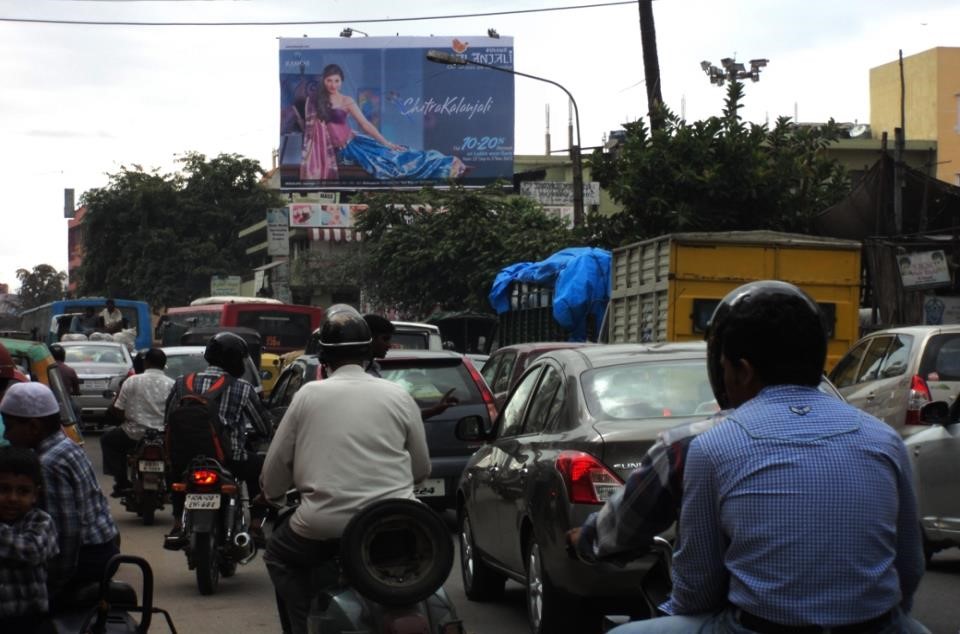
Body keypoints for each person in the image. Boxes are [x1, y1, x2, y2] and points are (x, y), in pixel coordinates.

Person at [575, 281, 929, 634]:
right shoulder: (885, 440)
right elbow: (909, 567)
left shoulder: (711, 446)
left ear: (742, 370)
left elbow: (697, 591)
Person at [261, 304, 430, 634]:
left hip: (322, 525)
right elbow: (421, 467)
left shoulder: (308, 395)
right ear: (368, 353)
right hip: (398, 521)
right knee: (422, 572)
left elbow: (274, 475)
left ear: (323, 357)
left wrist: (272, 494)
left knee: (277, 556)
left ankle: (302, 625)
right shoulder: (398, 395)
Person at [1, 382, 119, 605]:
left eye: (10, 427)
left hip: (86, 560)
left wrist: (52, 588)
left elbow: (67, 535)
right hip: (104, 548)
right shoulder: (67, 444)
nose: (7, 434)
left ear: (34, 427)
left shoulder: (47, 463)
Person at [163, 332, 272, 549]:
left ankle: (177, 523)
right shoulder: (242, 387)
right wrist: (260, 435)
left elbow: (168, 420)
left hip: (185, 458)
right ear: (235, 360)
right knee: (262, 469)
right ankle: (256, 527)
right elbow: (263, 427)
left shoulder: (182, 383)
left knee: (176, 474)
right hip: (229, 458)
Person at [301, 63, 468, 182]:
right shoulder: (315, 101)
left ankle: (445, 163)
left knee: (394, 158)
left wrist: (386, 142)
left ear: (341, 81)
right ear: (324, 80)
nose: (333, 84)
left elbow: (365, 125)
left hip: (356, 146)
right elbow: (310, 132)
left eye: (336, 80)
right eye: (329, 80)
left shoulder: (347, 100)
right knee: (388, 164)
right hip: (339, 152)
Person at [0, 446, 60, 634]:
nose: (12, 498)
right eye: (3, 489)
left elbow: (31, 550)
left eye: (23, 491)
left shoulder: (41, 521)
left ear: (36, 494)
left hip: (30, 622)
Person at [100, 348, 174, 498]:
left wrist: (127, 419)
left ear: (146, 363)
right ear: (164, 365)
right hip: (163, 436)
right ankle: (172, 483)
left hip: (133, 434)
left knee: (107, 440)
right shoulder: (172, 384)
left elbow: (118, 408)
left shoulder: (132, 381)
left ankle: (121, 482)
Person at [363, 313, 458, 419]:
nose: (389, 345)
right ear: (369, 339)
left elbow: (396, 419)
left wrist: (434, 410)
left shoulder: (372, 369)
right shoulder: (362, 374)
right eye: (385, 339)